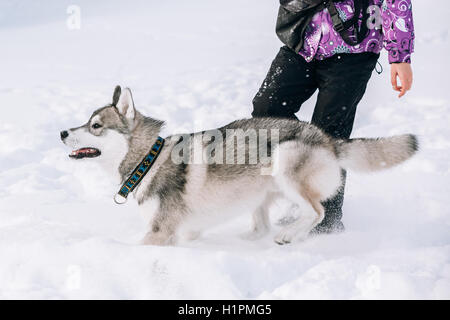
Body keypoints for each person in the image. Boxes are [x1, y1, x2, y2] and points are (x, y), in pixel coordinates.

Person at [252, 0, 415, 233]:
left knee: (329, 135)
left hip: (354, 50)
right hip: (304, 40)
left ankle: (326, 224)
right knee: (267, 112)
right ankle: (305, 187)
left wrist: (400, 56)